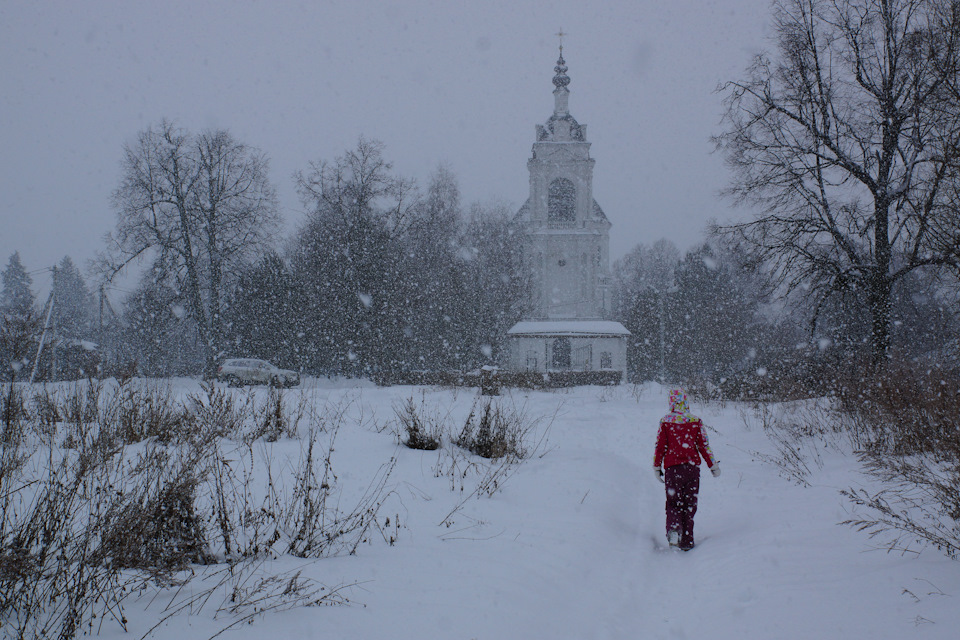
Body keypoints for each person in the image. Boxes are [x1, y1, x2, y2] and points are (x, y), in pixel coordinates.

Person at [653, 388, 720, 550]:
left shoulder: (665, 422)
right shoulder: (696, 421)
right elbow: (704, 445)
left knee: (674, 502)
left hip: (672, 469)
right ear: (686, 401)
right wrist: (713, 465)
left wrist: (657, 466)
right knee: (690, 504)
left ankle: (674, 529)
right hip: (692, 470)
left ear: (671, 402)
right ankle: (687, 541)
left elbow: (660, 447)